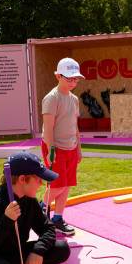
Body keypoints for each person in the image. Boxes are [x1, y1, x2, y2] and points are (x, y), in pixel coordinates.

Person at [40, 58, 84, 235]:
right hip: (54, 148)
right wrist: (51, 151)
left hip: (71, 148)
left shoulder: (74, 100)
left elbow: (75, 126)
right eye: (69, 79)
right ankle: (41, 207)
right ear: (58, 76)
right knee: (57, 185)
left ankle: (57, 218)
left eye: (76, 79)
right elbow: (48, 128)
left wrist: (78, 148)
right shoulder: (51, 98)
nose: (73, 82)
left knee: (67, 186)